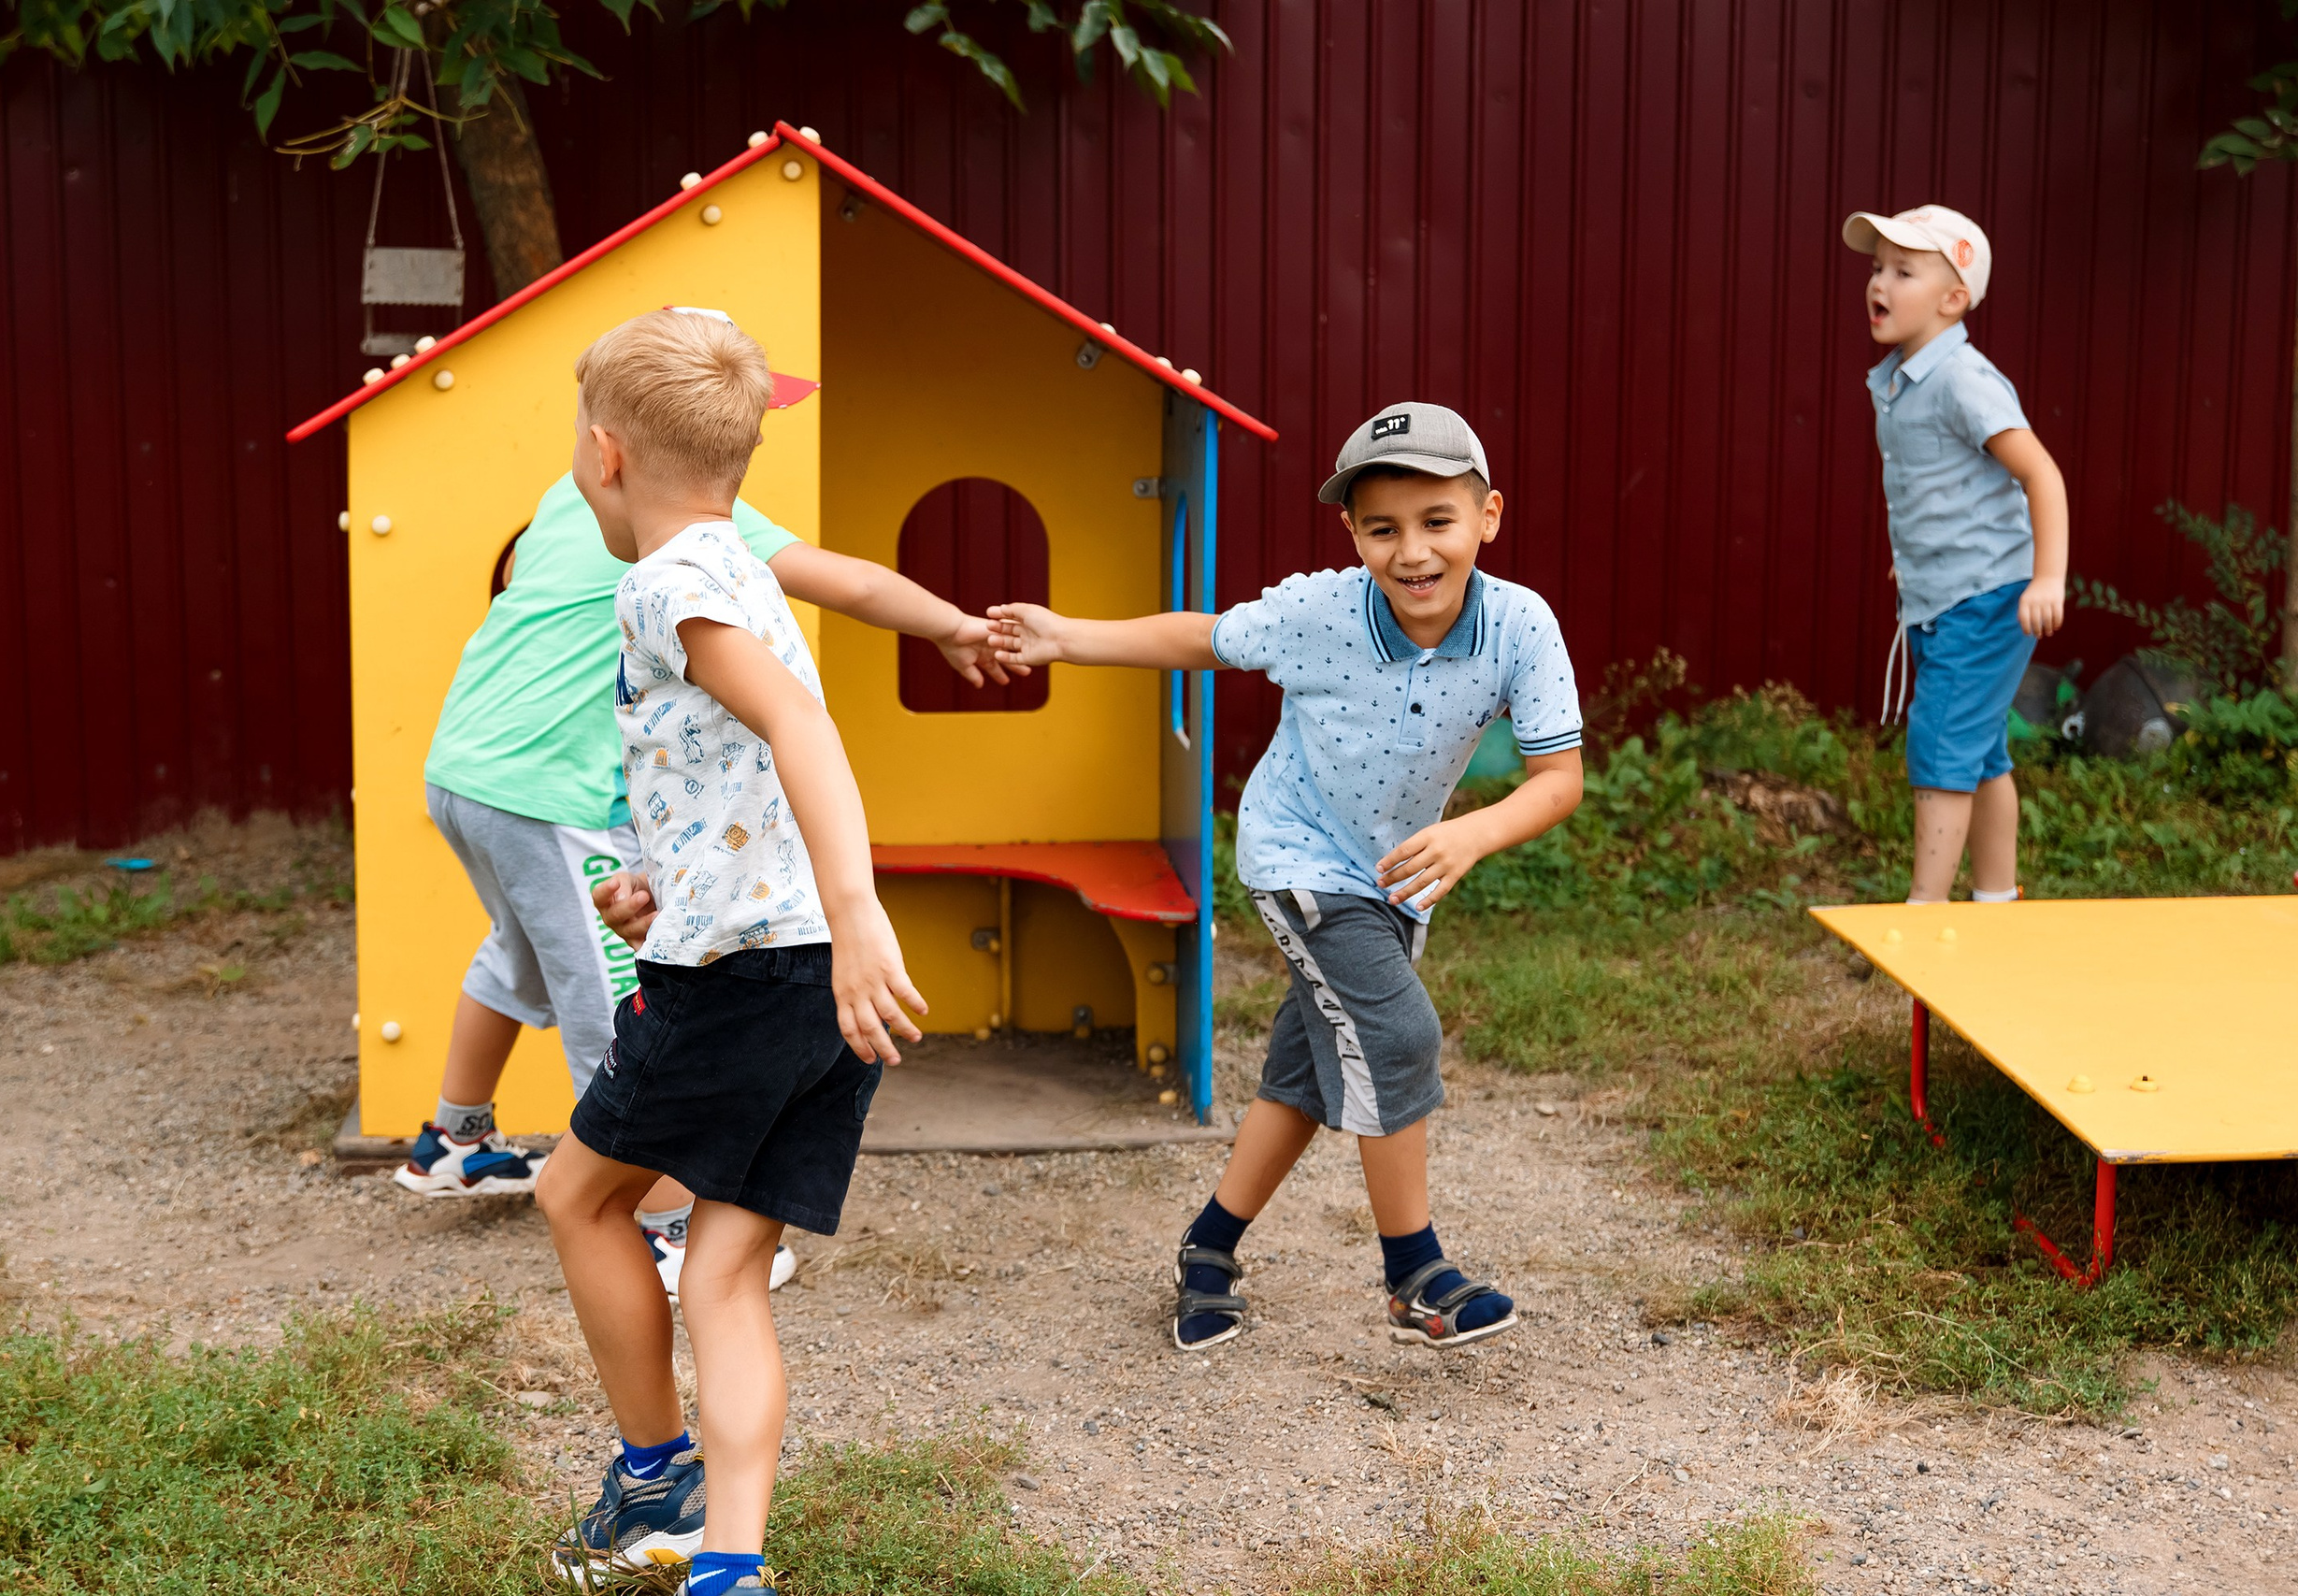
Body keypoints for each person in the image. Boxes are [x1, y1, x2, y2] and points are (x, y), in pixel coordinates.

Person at [986, 401, 1585, 1353]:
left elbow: (1558, 779)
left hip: (1392, 872)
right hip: (1299, 856)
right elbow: (1203, 638)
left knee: (1304, 1074)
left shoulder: (1520, 626)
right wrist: (1067, 637)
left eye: (1437, 521)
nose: (1413, 552)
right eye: (1382, 529)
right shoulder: (1317, 614)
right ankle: (1414, 1274)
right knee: (1396, 1034)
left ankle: (1209, 1248)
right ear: (1351, 533)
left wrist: (1471, 835)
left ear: (1488, 516)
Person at [403, 431, 1000, 1306]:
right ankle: (666, 1222)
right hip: (549, 789)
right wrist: (953, 625)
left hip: (465, 767)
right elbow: (854, 584)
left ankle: (456, 1138)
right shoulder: (686, 528)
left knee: (521, 945)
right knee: (610, 993)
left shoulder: (575, 496)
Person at [536, 306, 925, 1596]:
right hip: (806, 978)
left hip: (754, 976)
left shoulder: (662, 581)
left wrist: (858, 911)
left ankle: (655, 1479)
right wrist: (673, 884)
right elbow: (741, 768)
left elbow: (799, 726)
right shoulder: (745, 568)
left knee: (578, 1196)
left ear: (604, 455)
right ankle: (728, 1564)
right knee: (724, 1271)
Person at [1843, 205, 2069, 905]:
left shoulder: (1963, 380)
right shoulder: (1901, 378)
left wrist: (2048, 577)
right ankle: (1997, 901)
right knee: (1981, 750)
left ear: (1953, 299)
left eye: (1903, 272)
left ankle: (1925, 911)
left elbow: (2041, 474)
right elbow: (1943, 491)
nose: (1879, 282)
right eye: (1877, 268)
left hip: (1988, 597)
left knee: (1941, 745)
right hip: (1944, 591)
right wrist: (1916, 554)